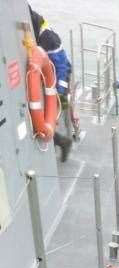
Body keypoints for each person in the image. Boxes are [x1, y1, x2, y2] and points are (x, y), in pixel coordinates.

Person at [29, 5, 72, 161]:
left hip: (58, 78)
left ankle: (62, 142)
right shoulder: (38, 29)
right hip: (45, 76)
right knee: (45, 118)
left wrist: (59, 93)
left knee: (48, 118)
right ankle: (58, 143)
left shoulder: (48, 37)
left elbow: (61, 66)